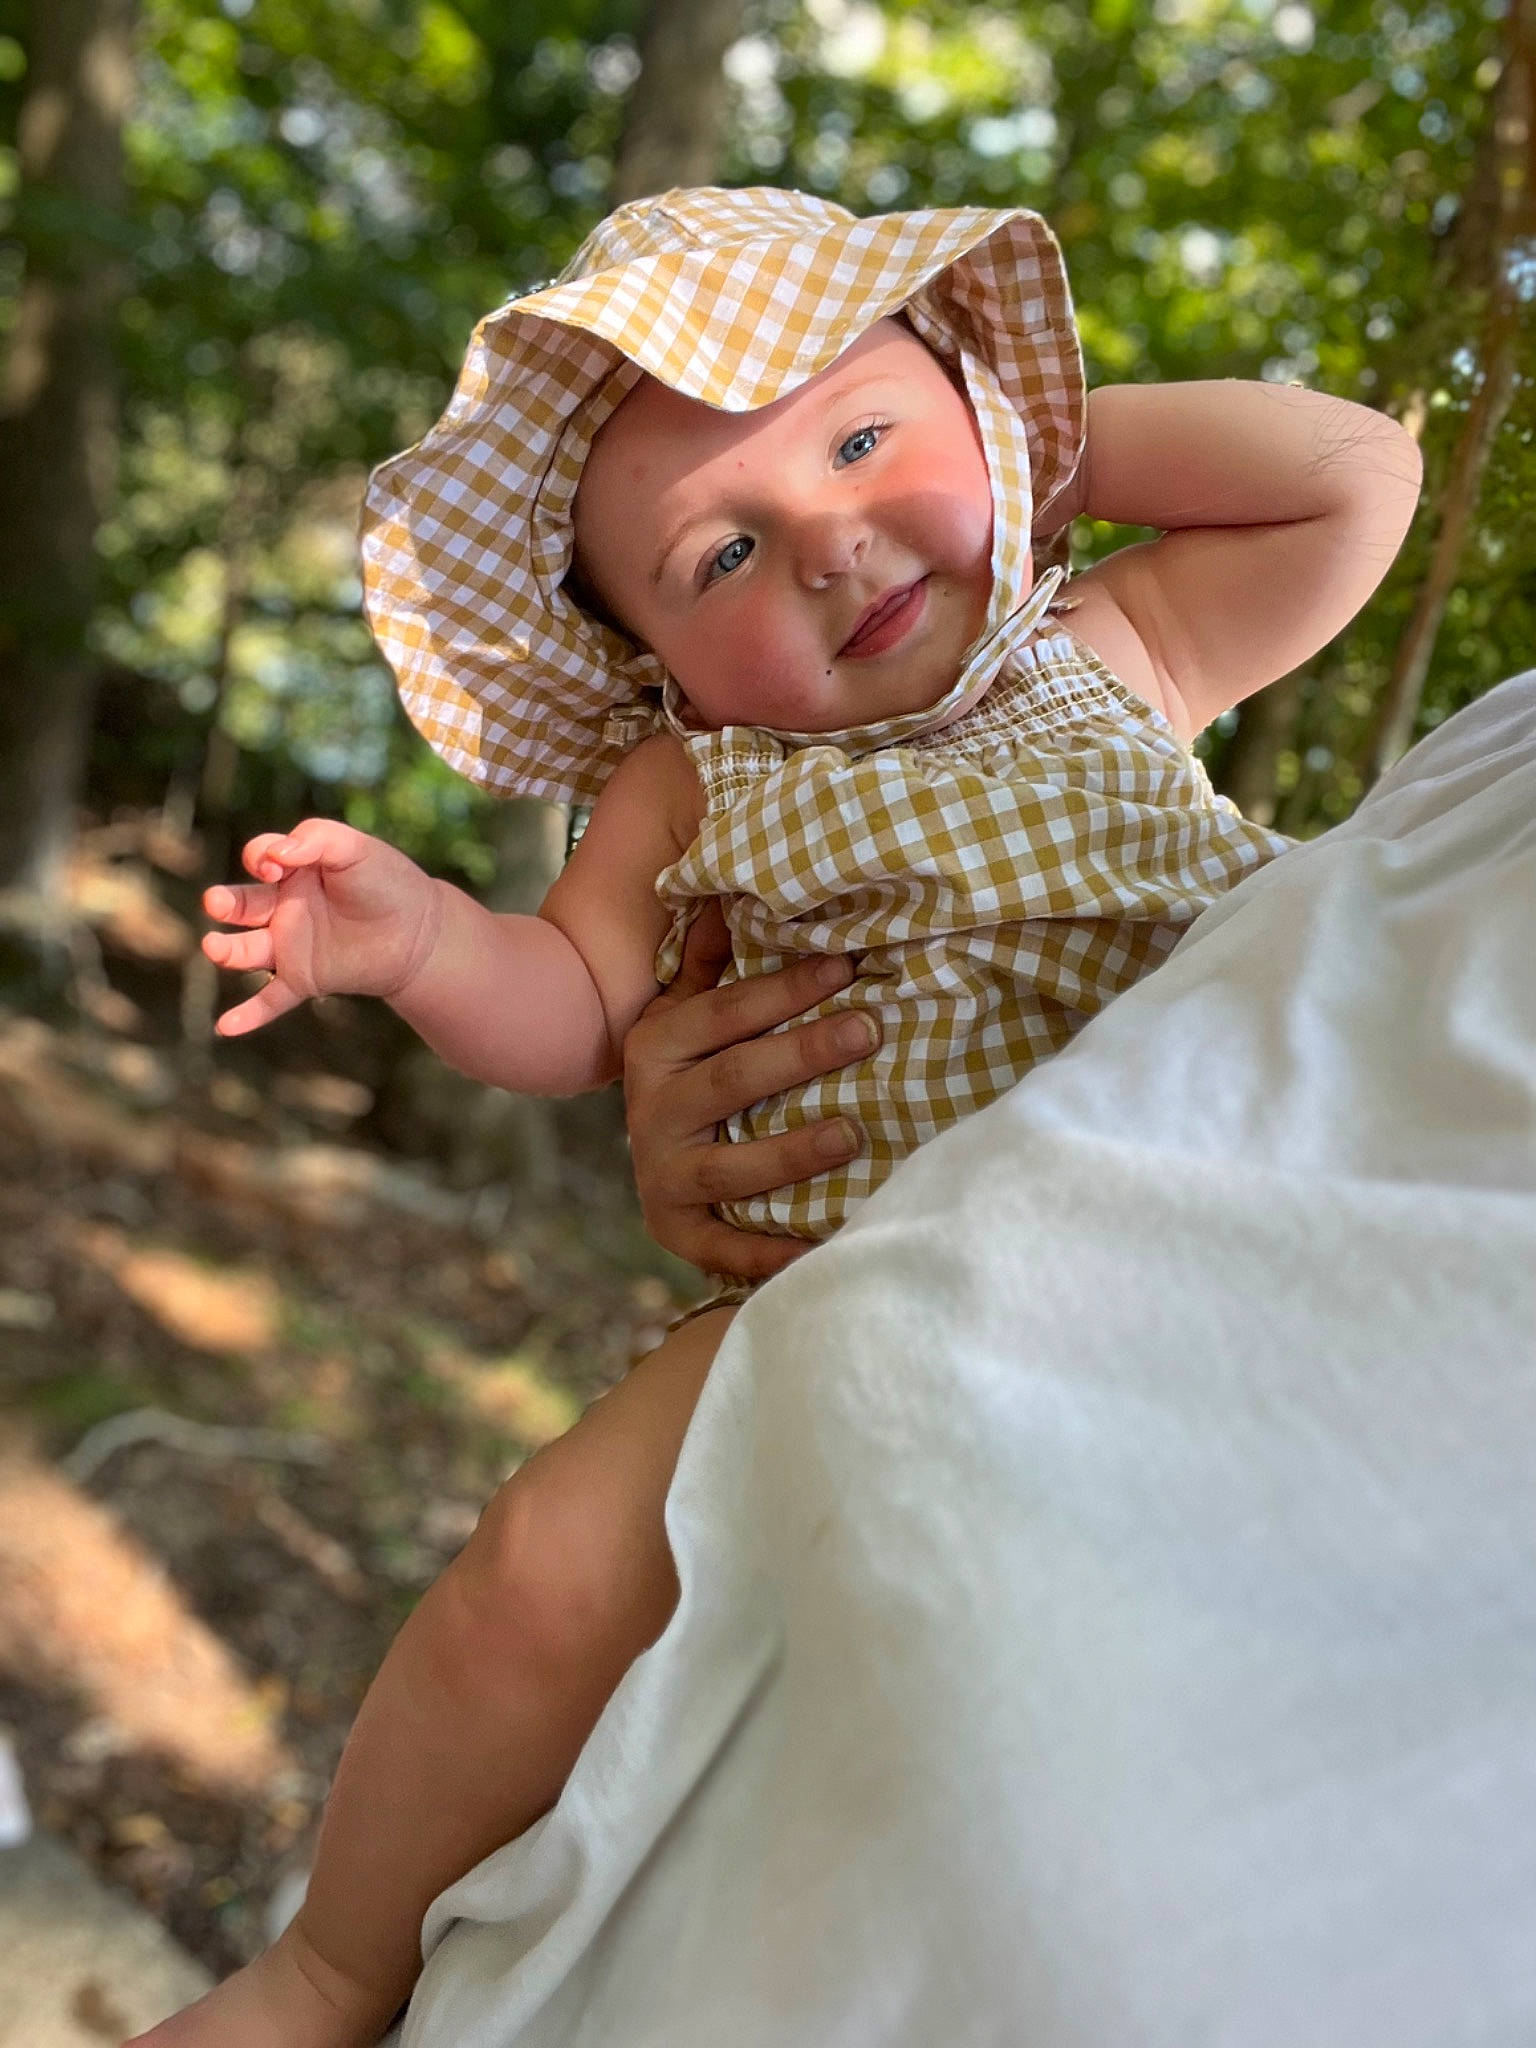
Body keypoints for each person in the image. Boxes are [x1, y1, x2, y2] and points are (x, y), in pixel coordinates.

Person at [133, 186, 1421, 2048]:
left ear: (977, 413)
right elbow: (576, 1008)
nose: (825, 542)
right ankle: (331, 1965)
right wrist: (417, 942)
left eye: (863, 436)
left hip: (1201, 1207)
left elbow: (1354, 478)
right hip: (832, 1285)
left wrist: (1035, 447)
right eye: (721, 557)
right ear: (647, 660)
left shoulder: (1119, 641)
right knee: (537, 1572)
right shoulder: (691, 779)